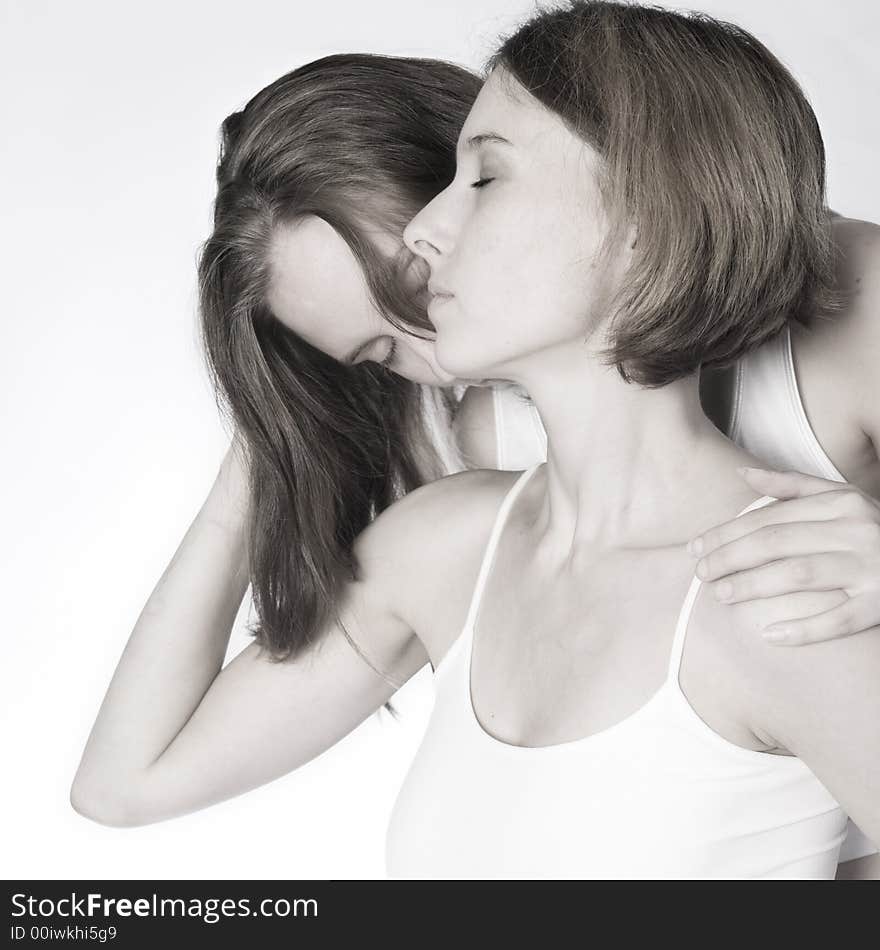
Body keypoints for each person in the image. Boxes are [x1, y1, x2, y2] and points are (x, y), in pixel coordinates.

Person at [70, 12, 879, 877]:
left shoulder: (851, 311)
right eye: (379, 355)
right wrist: (279, 433)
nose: (434, 362)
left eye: (412, 289)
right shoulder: (475, 477)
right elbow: (125, 784)